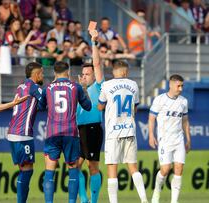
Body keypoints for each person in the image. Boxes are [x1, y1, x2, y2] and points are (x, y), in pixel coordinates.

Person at [40, 61, 92, 203]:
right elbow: (88, 106)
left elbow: (40, 107)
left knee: (49, 172)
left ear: (54, 73)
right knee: (73, 169)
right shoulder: (76, 87)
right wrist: (84, 88)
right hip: (70, 132)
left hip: (52, 133)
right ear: (68, 72)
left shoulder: (48, 88)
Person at [98, 60, 148, 203]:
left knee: (112, 170)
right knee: (133, 168)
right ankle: (144, 200)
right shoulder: (133, 85)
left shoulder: (106, 85)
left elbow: (100, 106)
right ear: (126, 72)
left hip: (113, 132)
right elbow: (135, 108)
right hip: (130, 130)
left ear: (114, 71)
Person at [148, 74, 191, 203]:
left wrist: (188, 139)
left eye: (182, 86)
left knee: (179, 169)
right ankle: (157, 190)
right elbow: (151, 119)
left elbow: (185, 121)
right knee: (165, 169)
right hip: (165, 141)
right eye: (179, 86)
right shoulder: (160, 100)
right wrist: (151, 135)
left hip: (179, 140)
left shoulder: (183, 101)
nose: (181, 88)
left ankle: (174, 201)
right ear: (171, 85)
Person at [7, 62, 44, 203]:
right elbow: (47, 100)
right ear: (36, 74)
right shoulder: (34, 87)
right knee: (27, 170)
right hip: (23, 133)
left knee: (24, 169)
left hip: (13, 131)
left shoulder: (21, 86)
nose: (42, 76)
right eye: (41, 73)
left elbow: (37, 105)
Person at [76, 29, 104, 203]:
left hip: (93, 128)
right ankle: (84, 198)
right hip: (79, 130)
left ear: (94, 75)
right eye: (83, 74)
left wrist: (93, 42)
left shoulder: (100, 86)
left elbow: (97, 63)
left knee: (92, 166)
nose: (85, 76)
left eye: (88, 74)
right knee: (74, 166)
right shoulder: (78, 88)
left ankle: (93, 201)